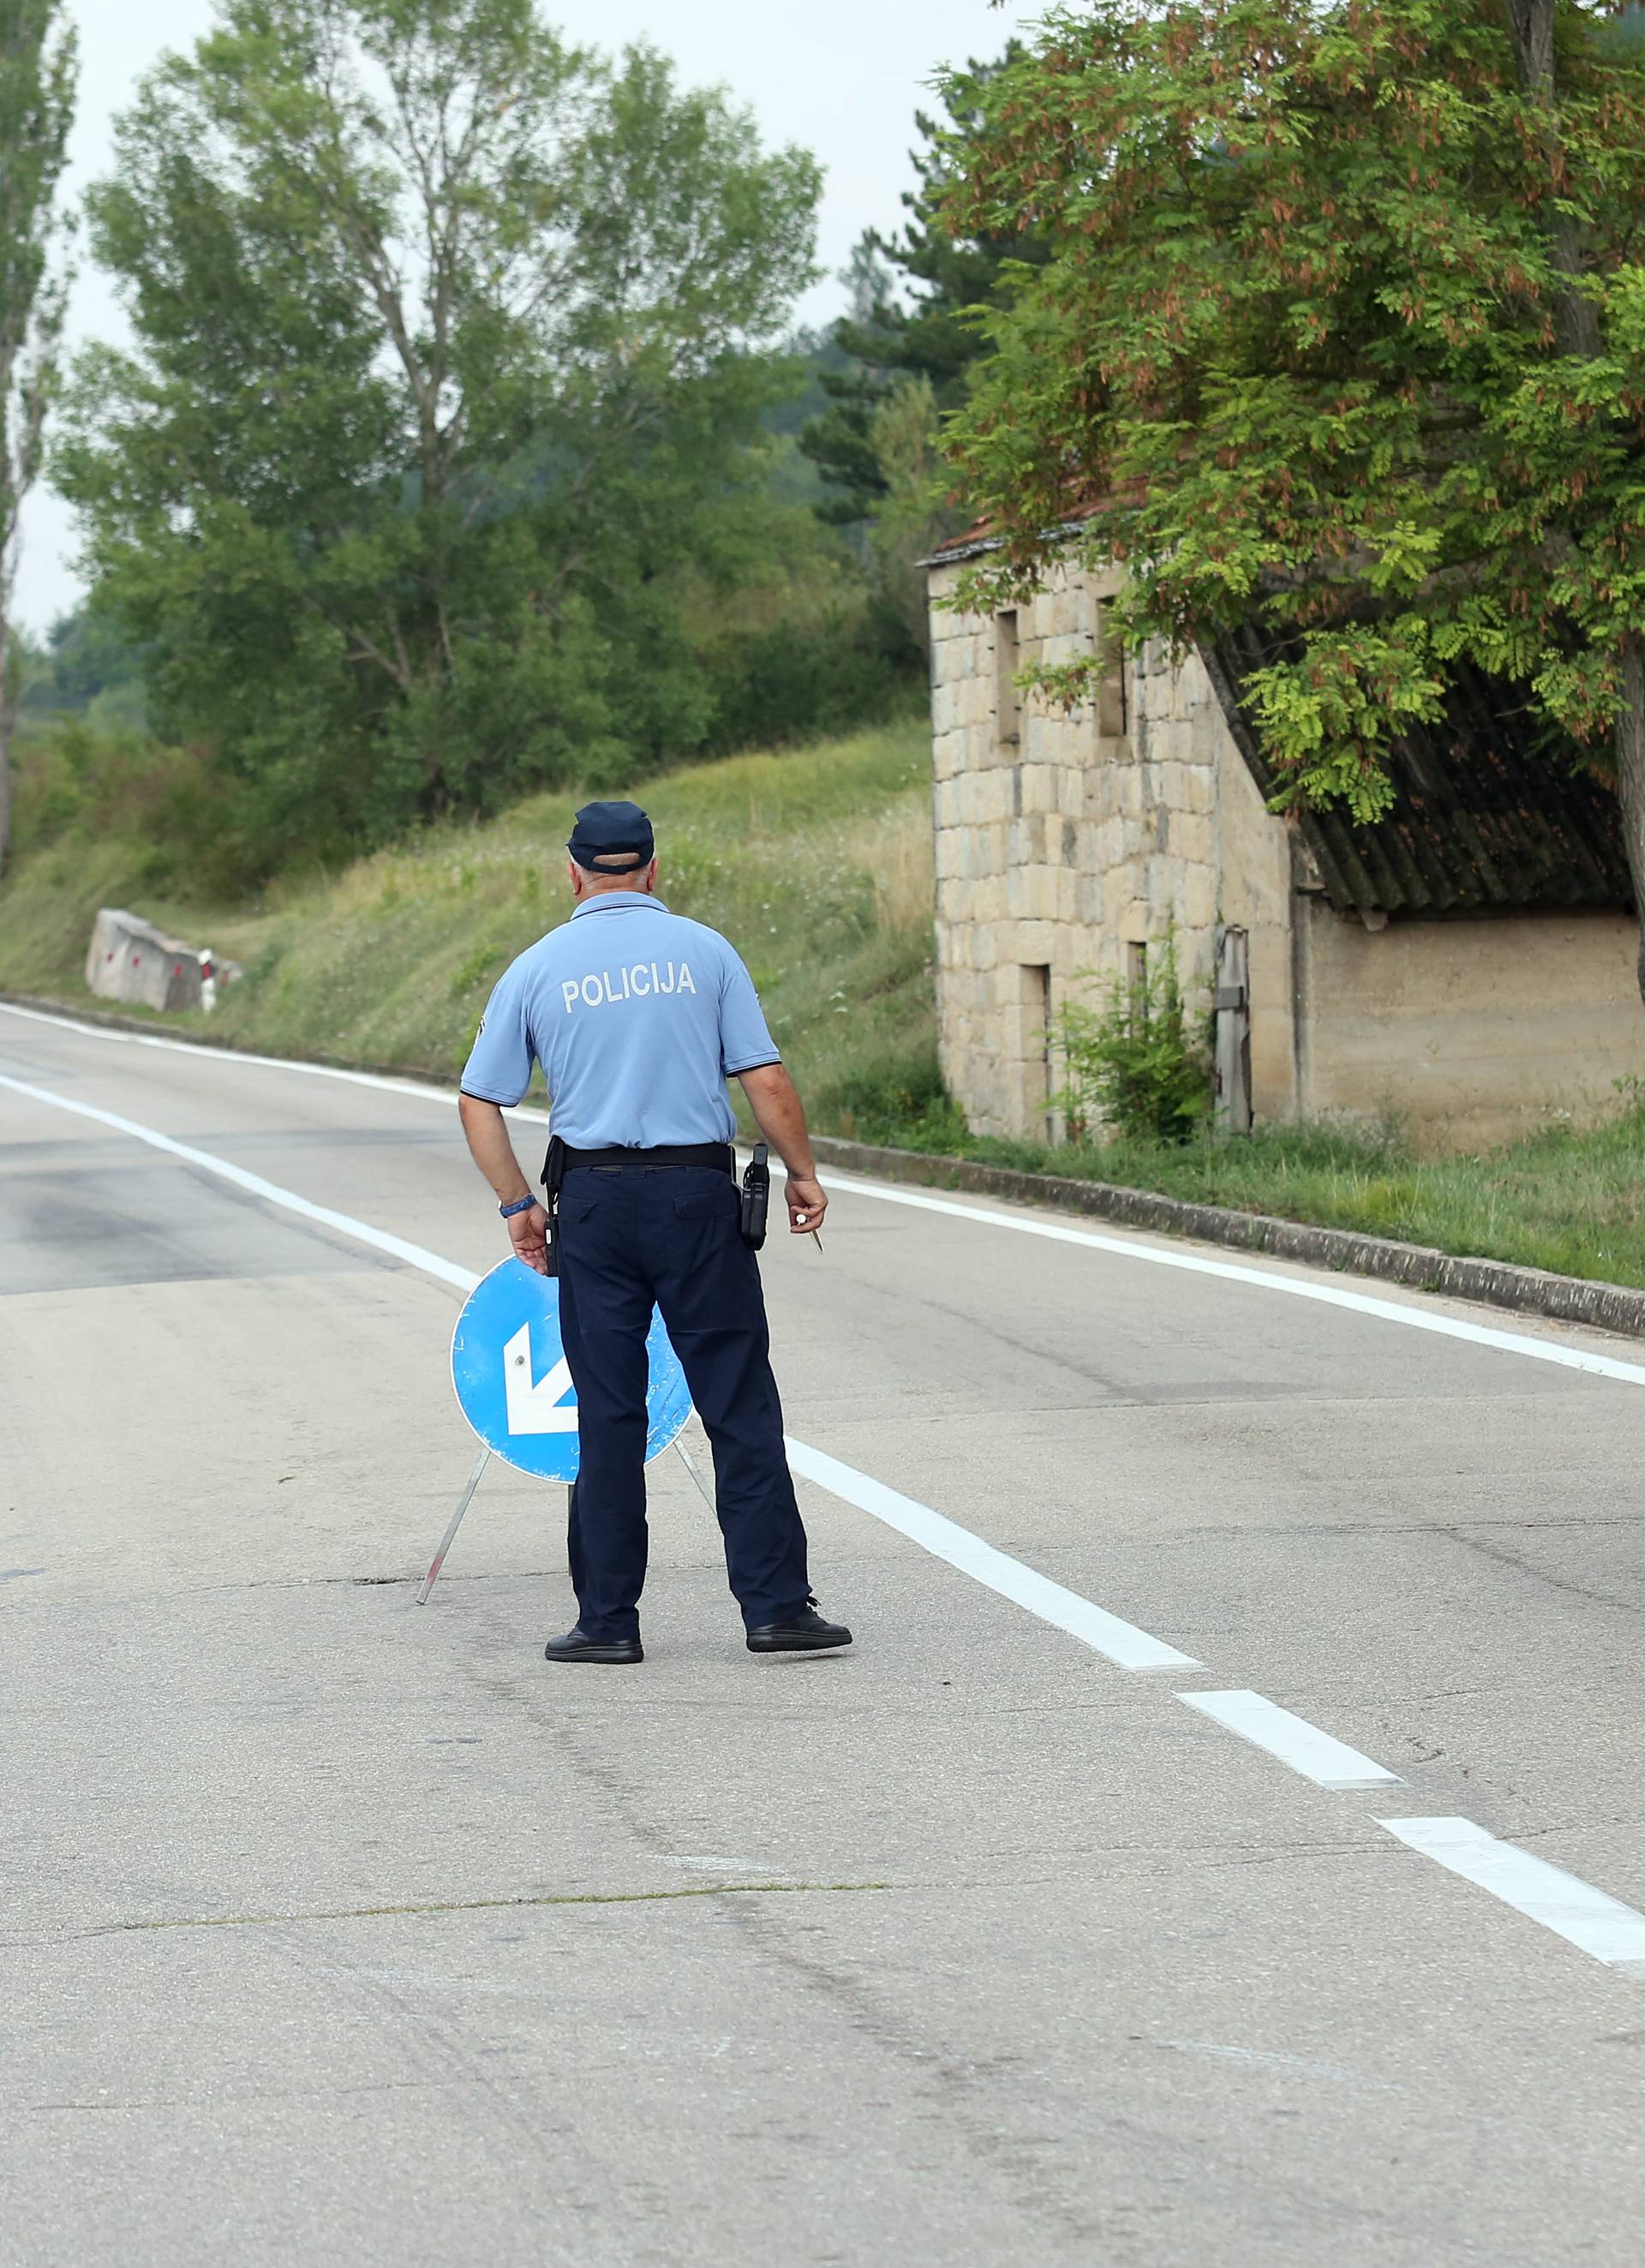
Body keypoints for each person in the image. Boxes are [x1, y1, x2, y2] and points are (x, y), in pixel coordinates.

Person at [457, 798, 852, 1667]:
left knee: (607, 1412)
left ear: (573, 872)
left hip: (593, 1203)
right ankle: (778, 1608)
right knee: (737, 1400)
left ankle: (607, 1621)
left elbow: (479, 1100)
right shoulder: (705, 952)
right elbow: (764, 1075)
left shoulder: (536, 967)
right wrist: (804, 1173)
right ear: (653, 869)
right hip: (696, 1197)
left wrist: (518, 1203)